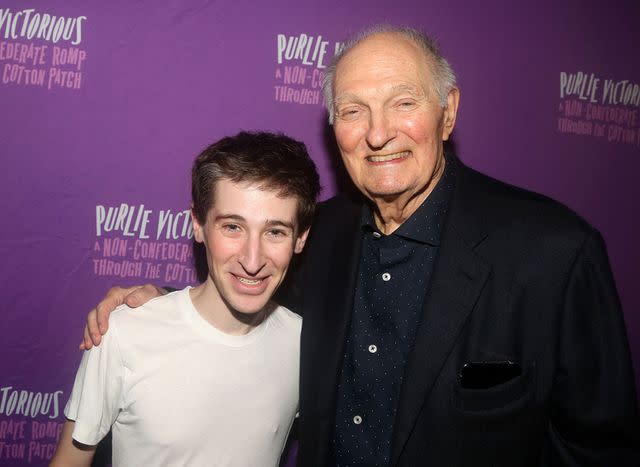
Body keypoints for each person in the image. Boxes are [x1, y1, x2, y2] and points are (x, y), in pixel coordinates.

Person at [82, 26, 639, 466]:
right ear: (333, 127)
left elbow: (597, 450)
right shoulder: (318, 237)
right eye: (353, 111)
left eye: (403, 103)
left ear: (448, 112)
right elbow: (248, 281)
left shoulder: (554, 253)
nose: (378, 133)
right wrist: (158, 300)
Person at [52, 131, 320, 466]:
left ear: (300, 239)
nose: (253, 261)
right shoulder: (123, 333)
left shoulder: (306, 346)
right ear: (198, 224)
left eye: (275, 232)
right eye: (232, 227)